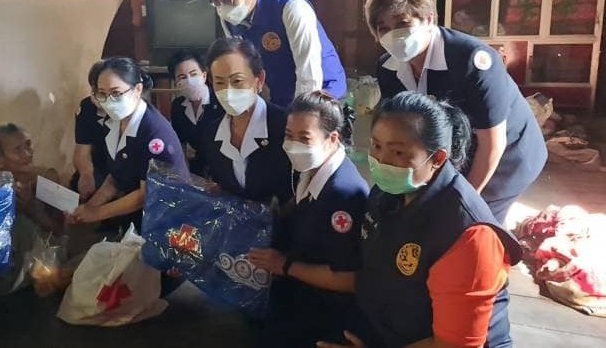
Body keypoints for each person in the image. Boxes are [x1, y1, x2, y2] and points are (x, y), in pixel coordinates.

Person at [319, 92, 522, 348]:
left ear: (437, 158)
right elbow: (371, 273)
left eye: (398, 152)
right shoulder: (387, 192)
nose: (381, 160)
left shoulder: (467, 233)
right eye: (377, 146)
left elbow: (453, 345)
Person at [364, 0, 547, 223]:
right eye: (383, 28)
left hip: (507, 157)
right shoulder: (388, 68)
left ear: (428, 19)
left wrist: (463, 203)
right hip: (454, 149)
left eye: (402, 24)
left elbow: (493, 144)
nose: (392, 35)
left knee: (475, 223)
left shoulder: (473, 61)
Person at [248, 91, 368, 348]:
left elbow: (349, 279)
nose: (293, 145)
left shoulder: (343, 195)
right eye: (289, 135)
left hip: (328, 310)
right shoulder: (309, 170)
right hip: (302, 290)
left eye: (304, 138)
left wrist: (284, 265)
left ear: (332, 139)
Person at [205, 0, 347, 107]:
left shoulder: (292, 9)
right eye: (215, 2)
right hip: (281, 94)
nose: (222, 8)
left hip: (323, 92)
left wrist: (301, 114)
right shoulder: (228, 19)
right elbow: (243, 66)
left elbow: (309, 77)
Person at [69, 57, 187, 231]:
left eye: (116, 93)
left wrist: (96, 213)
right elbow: (116, 176)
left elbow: (145, 195)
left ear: (137, 89)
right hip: (139, 209)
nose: (108, 101)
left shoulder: (155, 135)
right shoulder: (114, 123)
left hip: (167, 217)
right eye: (102, 94)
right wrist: (90, 207)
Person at [199, 38, 292, 204]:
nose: (228, 91)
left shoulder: (286, 126)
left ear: (259, 80)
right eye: (219, 82)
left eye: (237, 81)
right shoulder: (212, 134)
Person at [0, 123, 65, 294]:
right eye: (18, 150)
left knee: (20, 224)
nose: (27, 154)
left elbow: (60, 231)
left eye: (28, 146)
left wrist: (31, 208)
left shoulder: (46, 178)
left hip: (39, 258)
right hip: (0, 256)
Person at [167, 50, 225, 175]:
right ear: (176, 83)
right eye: (182, 77)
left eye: (193, 74)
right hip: (198, 169)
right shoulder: (178, 107)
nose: (189, 80)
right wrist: (185, 174)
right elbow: (180, 144)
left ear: (204, 75)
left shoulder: (221, 101)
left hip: (226, 168)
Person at [71, 64, 113, 202]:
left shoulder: (126, 111)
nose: (96, 93)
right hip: (99, 166)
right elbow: (81, 151)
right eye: (95, 88)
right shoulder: (87, 108)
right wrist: (86, 174)